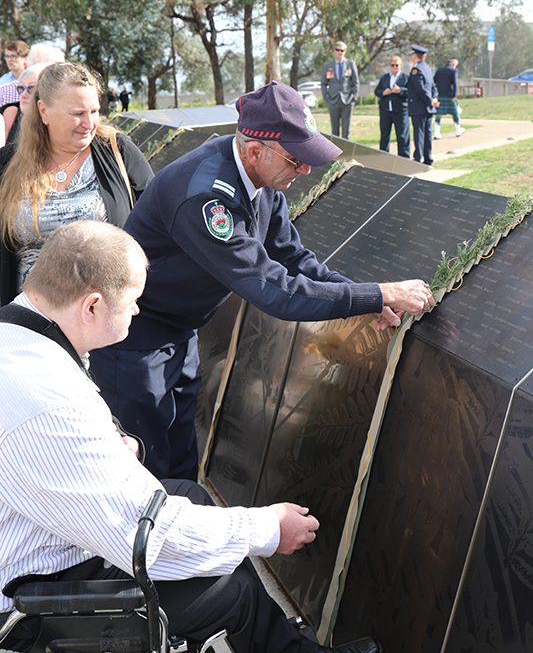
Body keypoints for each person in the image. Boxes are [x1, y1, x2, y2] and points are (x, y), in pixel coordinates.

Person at [0, 220, 382, 653]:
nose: (138, 311)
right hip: (32, 591)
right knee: (228, 591)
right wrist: (268, 527)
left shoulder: (19, 334)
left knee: (190, 495)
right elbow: (149, 540)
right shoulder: (50, 401)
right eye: (132, 301)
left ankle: (289, 644)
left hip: (42, 537)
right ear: (91, 307)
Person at [90, 80, 435, 482]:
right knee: (142, 468)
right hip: (133, 338)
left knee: (181, 458)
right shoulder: (206, 198)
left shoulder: (263, 181)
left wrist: (373, 300)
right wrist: (379, 292)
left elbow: (293, 258)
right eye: (296, 160)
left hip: (179, 330)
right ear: (255, 151)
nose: (305, 170)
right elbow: (273, 290)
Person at [0, 62, 153, 305]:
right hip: (29, 321)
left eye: (94, 111)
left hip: (104, 319)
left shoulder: (118, 151)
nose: (89, 123)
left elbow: (155, 220)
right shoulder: (8, 165)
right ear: (44, 111)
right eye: (77, 114)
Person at [0, 63, 49, 149]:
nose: (24, 94)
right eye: (21, 88)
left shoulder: (53, 122)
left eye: (31, 88)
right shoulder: (11, 112)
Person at [407, 44, 439, 166]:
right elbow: (433, 87)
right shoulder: (427, 68)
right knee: (427, 133)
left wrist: (430, 100)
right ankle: (428, 158)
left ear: (415, 55)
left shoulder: (416, 69)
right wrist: (433, 99)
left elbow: (420, 89)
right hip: (428, 107)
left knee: (419, 134)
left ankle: (418, 158)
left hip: (419, 106)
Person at [321, 42, 359, 139]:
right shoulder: (327, 66)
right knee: (334, 131)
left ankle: (346, 153)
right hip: (333, 101)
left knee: (346, 131)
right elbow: (323, 83)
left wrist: (353, 98)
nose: (339, 52)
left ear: (345, 52)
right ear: (334, 51)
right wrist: (326, 98)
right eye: (337, 50)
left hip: (347, 101)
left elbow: (356, 82)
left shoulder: (351, 64)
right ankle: (336, 154)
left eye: (342, 50)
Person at [374, 56, 410, 158]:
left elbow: (411, 92)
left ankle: (404, 159)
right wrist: (383, 92)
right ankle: (384, 157)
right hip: (386, 110)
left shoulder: (405, 77)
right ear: (389, 66)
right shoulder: (384, 77)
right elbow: (377, 91)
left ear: (401, 66)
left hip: (400, 110)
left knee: (402, 136)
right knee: (384, 135)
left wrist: (400, 90)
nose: (394, 67)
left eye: (397, 65)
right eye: (392, 65)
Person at [433, 57, 464, 139]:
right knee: (455, 113)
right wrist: (455, 96)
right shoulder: (454, 71)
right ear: (453, 64)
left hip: (440, 95)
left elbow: (434, 81)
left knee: (438, 114)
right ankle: (458, 130)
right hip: (450, 96)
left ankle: (436, 132)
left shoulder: (439, 70)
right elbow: (455, 83)